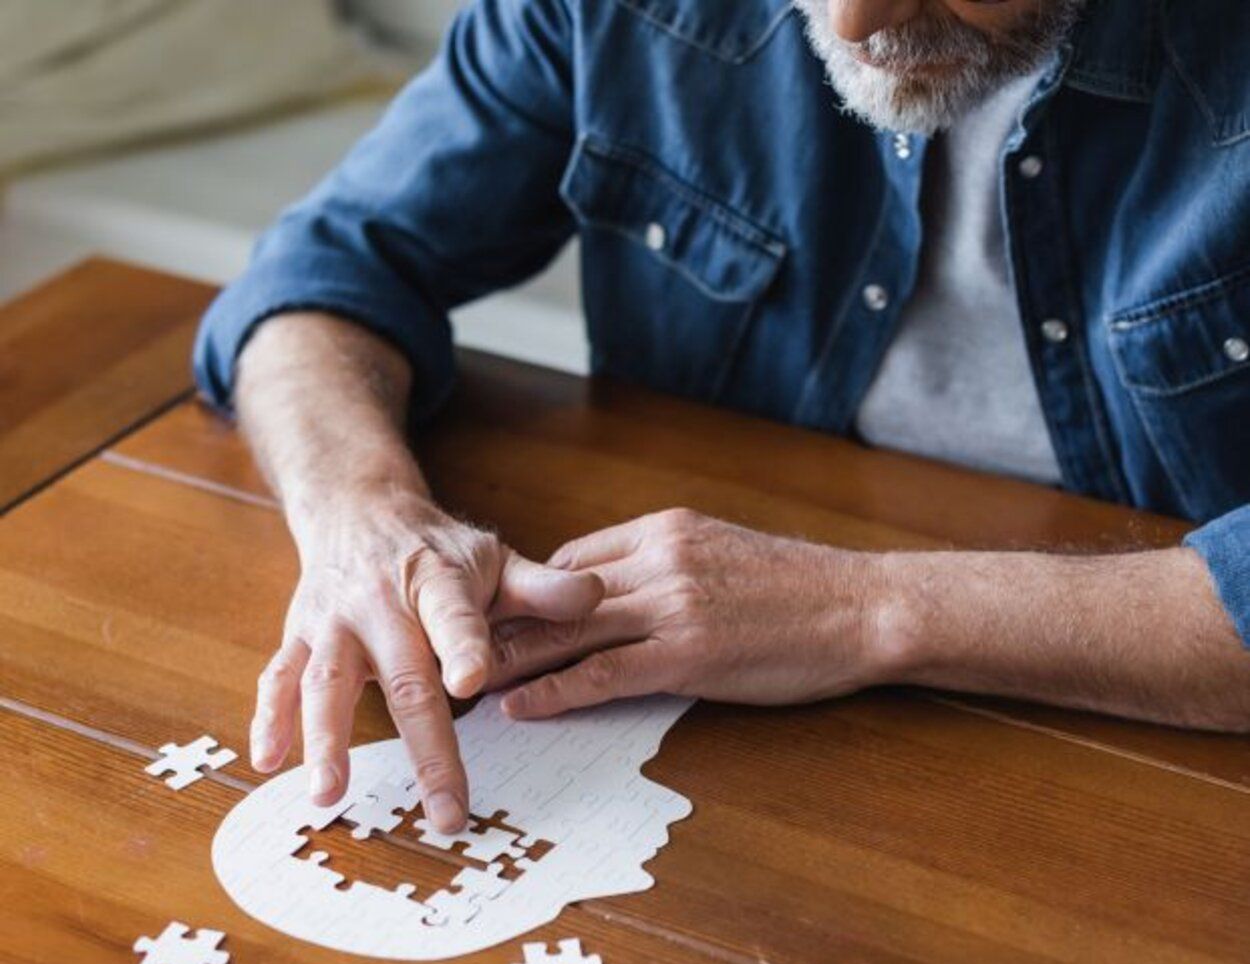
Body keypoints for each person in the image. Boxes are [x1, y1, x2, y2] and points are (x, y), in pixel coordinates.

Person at [194, 0, 1250, 835]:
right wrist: (361, 514)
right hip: (715, 761)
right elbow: (322, 271)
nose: (853, 22)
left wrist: (864, 606)